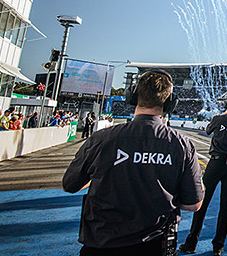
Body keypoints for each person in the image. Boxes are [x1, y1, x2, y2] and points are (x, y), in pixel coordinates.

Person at [63, 69, 203, 255]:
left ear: (132, 97)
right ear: (169, 103)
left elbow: (69, 185)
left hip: (102, 244)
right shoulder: (182, 145)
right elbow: (193, 205)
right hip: (154, 245)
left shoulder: (101, 139)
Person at [179, 93, 227, 255]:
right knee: (225, 206)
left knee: (202, 202)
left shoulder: (218, 118)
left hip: (215, 163)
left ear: (226, 104)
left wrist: (223, 116)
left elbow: (208, 131)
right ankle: (218, 246)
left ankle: (191, 243)